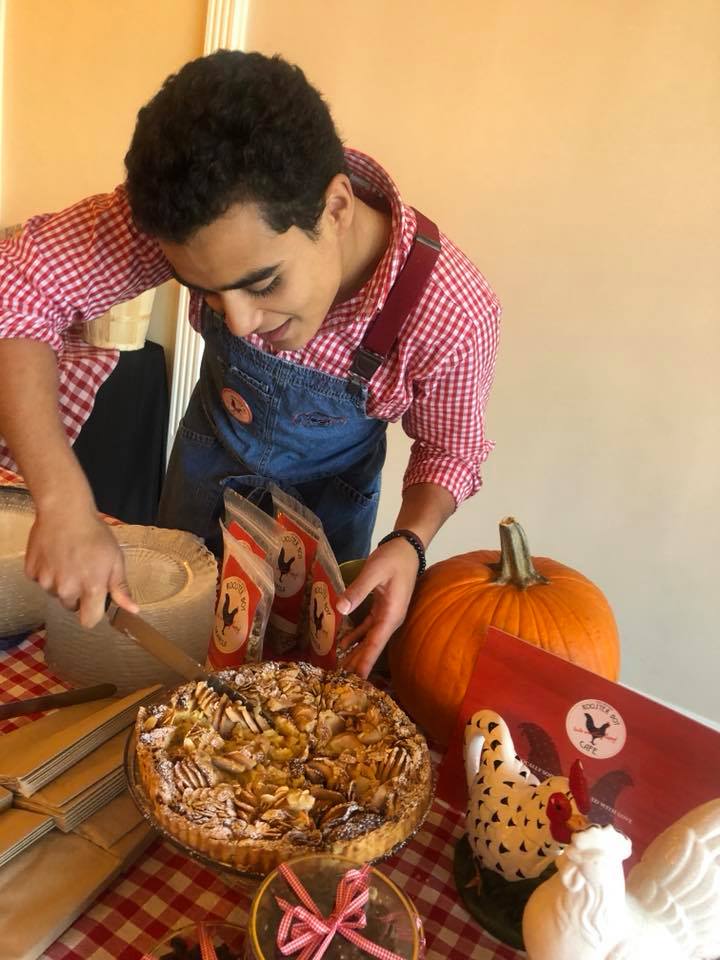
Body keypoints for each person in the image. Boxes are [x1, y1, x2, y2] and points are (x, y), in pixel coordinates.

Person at [0, 50, 500, 677]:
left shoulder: (449, 309)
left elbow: (449, 450)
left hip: (326, 524)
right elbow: (18, 288)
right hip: (202, 484)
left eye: (263, 284)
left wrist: (410, 541)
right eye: (204, 288)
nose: (236, 321)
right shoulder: (193, 216)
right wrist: (62, 497)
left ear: (337, 208)